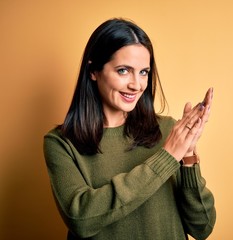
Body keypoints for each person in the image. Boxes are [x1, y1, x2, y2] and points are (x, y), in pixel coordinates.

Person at [43, 18, 216, 240]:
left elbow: (202, 227)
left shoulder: (169, 131)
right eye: (123, 71)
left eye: (144, 72)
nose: (136, 85)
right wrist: (167, 157)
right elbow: (81, 219)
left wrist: (188, 156)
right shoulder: (61, 143)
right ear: (93, 71)